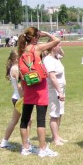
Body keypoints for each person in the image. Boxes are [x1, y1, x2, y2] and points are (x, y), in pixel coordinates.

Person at [18, 27, 60, 157]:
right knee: (40, 119)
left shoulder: (23, 50)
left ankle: (25, 147)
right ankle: (43, 148)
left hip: (29, 85)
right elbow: (56, 40)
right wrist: (46, 33)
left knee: (25, 119)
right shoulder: (36, 48)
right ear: (36, 37)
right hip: (40, 87)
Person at [43, 41, 66, 146]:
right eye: (59, 45)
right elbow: (52, 77)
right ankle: (55, 138)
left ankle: (57, 135)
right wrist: (60, 92)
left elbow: (63, 54)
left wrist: (58, 46)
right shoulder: (48, 60)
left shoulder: (56, 57)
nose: (61, 47)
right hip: (54, 89)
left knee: (59, 112)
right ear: (52, 47)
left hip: (60, 88)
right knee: (54, 114)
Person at [0, 49, 22, 150]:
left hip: (16, 97)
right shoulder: (16, 69)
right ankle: (26, 143)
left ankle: (4, 141)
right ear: (17, 58)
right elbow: (19, 86)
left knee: (16, 120)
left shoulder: (14, 67)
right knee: (26, 121)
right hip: (19, 98)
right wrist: (24, 98)